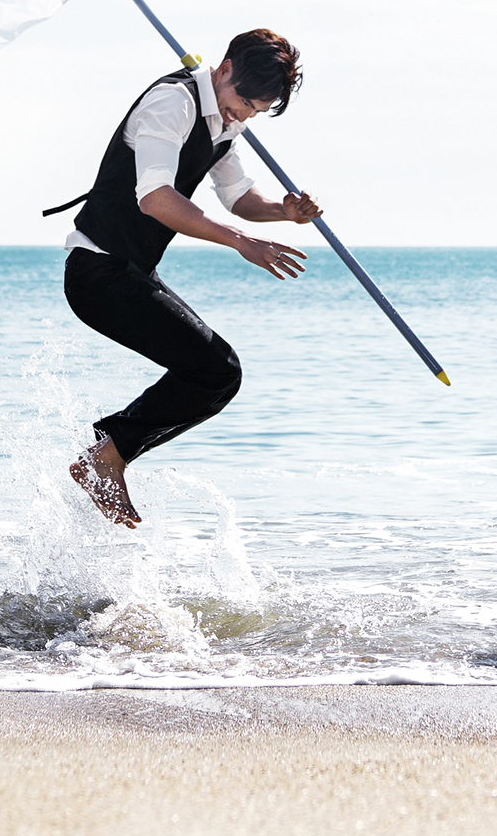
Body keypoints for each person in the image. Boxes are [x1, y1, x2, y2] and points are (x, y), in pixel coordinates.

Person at [52, 29, 322, 528]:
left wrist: (284, 212)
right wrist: (242, 242)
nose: (244, 116)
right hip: (98, 271)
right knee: (215, 369)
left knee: (219, 376)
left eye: (256, 111)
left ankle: (108, 453)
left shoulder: (223, 122)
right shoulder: (170, 104)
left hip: (130, 272)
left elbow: (239, 197)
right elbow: (154, 199)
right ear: (223, 69)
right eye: (243, 101)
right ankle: (105, 457)